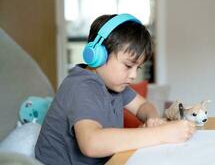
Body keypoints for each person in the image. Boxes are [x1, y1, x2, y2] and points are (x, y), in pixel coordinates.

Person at [35, 14, 196, 165]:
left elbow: (143, 106)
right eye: (128, 65)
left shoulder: (114, 83)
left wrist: (153, 119)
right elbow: (91, 143)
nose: (133, 75)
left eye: (137, 68)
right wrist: (162, 134)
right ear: (98, 55)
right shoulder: (81, 87)